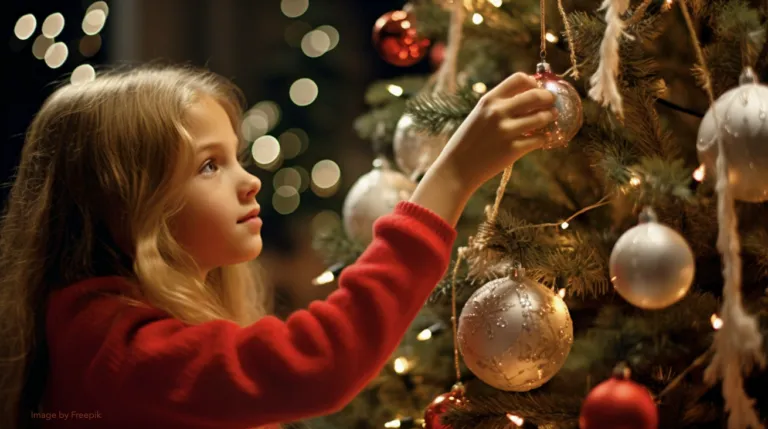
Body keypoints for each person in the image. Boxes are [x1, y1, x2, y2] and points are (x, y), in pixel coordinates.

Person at [0, 64, 557, 429]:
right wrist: (451, 177)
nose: (249, 181)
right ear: (122, 200)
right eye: (210, 164)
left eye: (237, 157)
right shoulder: (115, 353)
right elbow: (320, 362)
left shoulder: (99, 330)